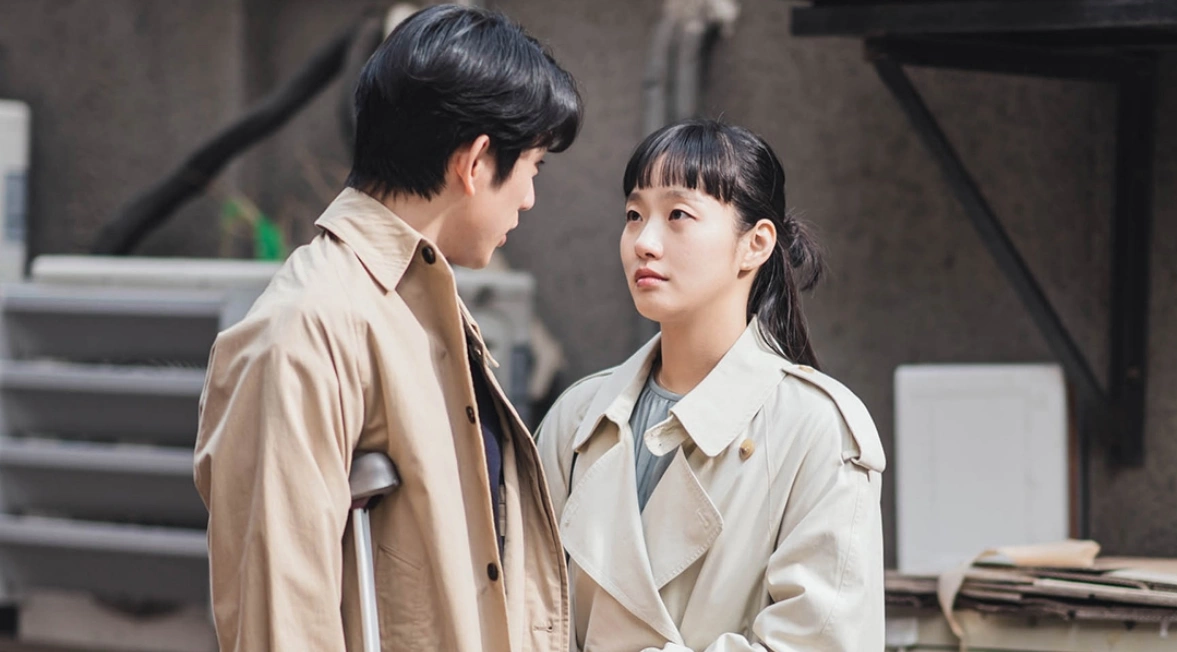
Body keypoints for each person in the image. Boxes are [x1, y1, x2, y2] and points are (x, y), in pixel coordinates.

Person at [193, 5, 583, 650]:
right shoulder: (306, 327)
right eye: (533, 168)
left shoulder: (412, 302)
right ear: (477, 162)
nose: (530, 198)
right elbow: (282, 622)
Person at [536, 119, 886, 651]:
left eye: (678, 215)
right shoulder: (577, 417)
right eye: (634, 215)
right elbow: (524, 612)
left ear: (755, 244)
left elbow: (821, 642)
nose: (644, 242)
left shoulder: (818, 429)